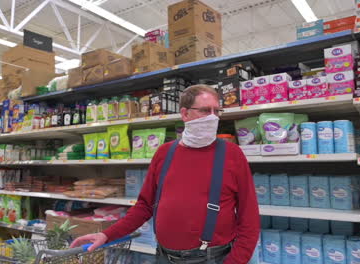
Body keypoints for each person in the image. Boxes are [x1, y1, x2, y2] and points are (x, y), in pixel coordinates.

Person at [71, 85, 260, 263]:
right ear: (184, 114)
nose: (213, 117)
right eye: (204, 111)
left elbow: (249, 218)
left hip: (212, 258)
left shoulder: (232, 154)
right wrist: (107, 234)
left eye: (216, 111)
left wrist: (236, 261)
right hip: (163, 255)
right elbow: (145, 206)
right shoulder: (164, 153)